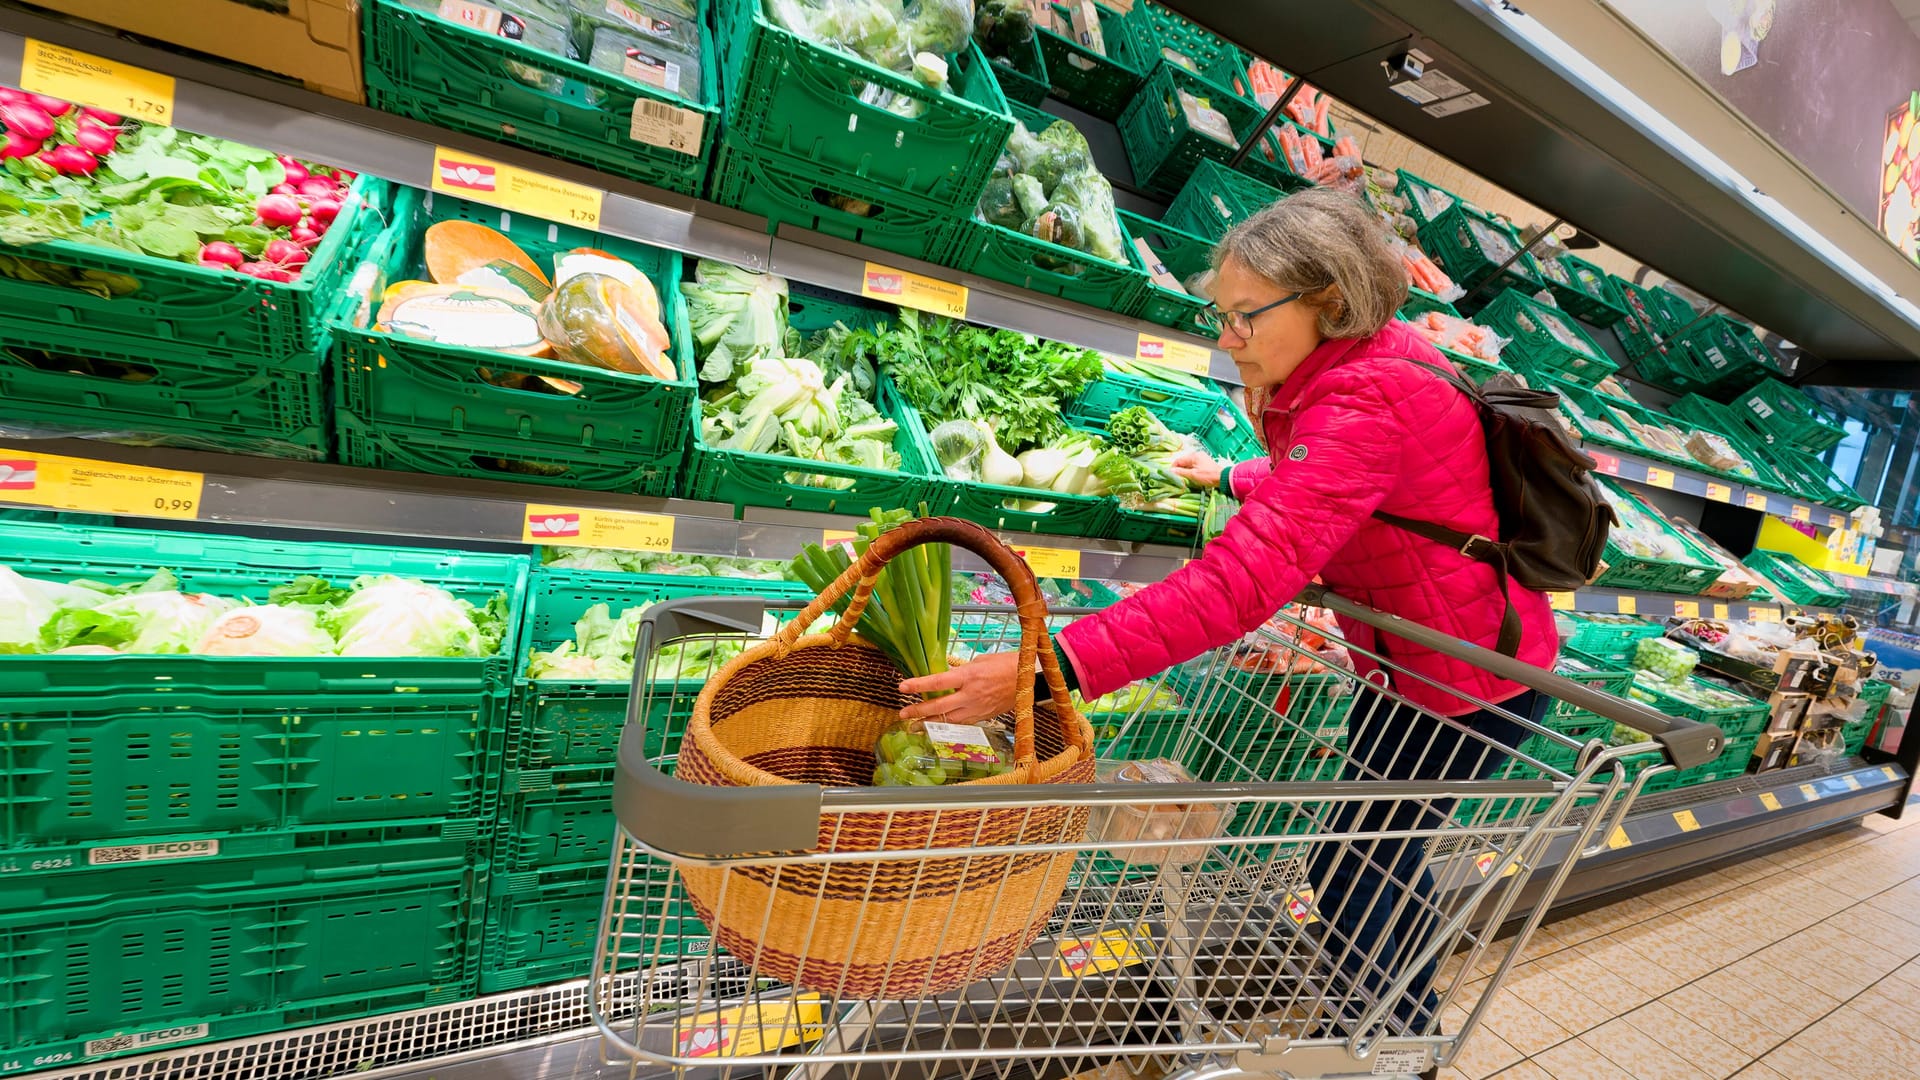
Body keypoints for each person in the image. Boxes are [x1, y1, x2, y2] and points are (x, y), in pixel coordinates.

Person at [898, 186, 1560, 1041]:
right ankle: (1392, 1023)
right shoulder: (1367, 365)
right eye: (1222, 314)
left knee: (1359, 866)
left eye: (1246, 316)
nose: (1226, 337)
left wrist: (1048, 667)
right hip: (1421, 666)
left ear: (1326, 301)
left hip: (1465, 681)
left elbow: (1237, 586)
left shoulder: (1366, 400)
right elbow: (1348, 489)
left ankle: (1380, 1037)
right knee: (1375, 857)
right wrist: (1231, 476)